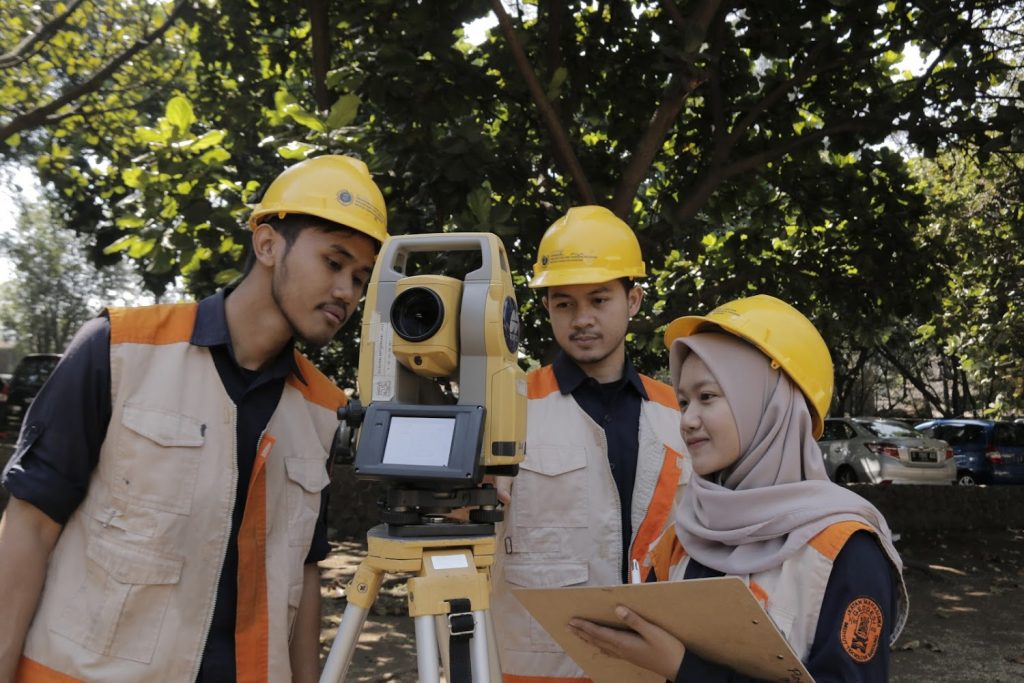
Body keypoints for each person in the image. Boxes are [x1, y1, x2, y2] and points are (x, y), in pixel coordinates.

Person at [0, 154, 388, 683]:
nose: (347, 291)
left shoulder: (322, 407)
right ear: (269, 244)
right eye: (333, 262)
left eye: (361, 277)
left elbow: (304, 570)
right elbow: (30, 526)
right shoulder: (118, 350)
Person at [566, 294, 909, 682]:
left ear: (770, 406)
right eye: (683, 401)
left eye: (707, 397)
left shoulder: (846, 548)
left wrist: (684, 669)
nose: (688, 420)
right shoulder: (681, 540)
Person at [490, 205, 689, 681]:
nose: (582, 319)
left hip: (652, 665)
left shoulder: (679, 417)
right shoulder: (508, 409)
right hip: (537, 669)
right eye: (565, 304)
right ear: (547, 309)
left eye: (599, 300)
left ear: (634, 300)